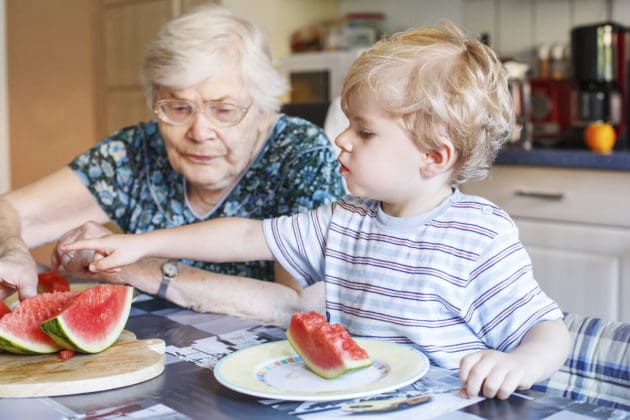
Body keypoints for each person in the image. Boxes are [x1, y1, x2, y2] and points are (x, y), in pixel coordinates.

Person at [62, 22, 571, 399]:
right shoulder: (345, 218)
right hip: (356, 401)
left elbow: (547, 328)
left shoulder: (476, 235)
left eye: (364, 132)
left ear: (433, 157)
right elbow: (244, 237)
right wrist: (139, 244)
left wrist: (520, 363)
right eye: (347, 123)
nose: (341, 141)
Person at [0, 5, 345, 324]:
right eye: (178, 108)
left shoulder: (301, 154)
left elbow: (300, 303)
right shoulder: (137, 150)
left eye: (223, 110)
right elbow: (11, 211)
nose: (199, 132)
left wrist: (137, 267)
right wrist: (13, 250)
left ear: (263, 110)